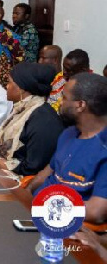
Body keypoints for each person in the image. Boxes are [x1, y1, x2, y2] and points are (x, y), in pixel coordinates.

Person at [27, 73, 107, 224]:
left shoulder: (103, 149)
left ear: (80, 105)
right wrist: (23, 197)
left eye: (64, 98)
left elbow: (96, 211)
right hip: (33, 214)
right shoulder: (69, 133)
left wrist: (44, 209)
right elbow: (45, 174)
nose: (59, 103)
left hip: (61, 225)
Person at [0, 63, 64, 176]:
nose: (7, 86)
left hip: (20, 182)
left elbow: (32, 167)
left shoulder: (43, 120)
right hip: (2, 170)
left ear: (21, 88)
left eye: (10, 82)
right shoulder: (23, 108)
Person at [38, 45, 65, 112]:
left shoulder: (63, 83)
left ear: (55, 60)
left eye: (43, 58)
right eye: (40, 57)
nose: (39, 61)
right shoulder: (42, 78)